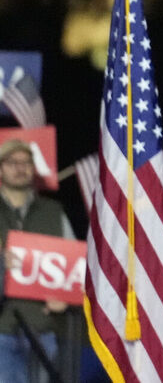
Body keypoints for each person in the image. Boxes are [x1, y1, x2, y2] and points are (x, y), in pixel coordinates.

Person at [0, 139, 73, 383]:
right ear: (1, 169)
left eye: (26, 162)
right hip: (2, 331)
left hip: (43, 330)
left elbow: (74, 266)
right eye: (12, 162)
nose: (20, 168)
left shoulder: (54, 211)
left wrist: (65, 297)